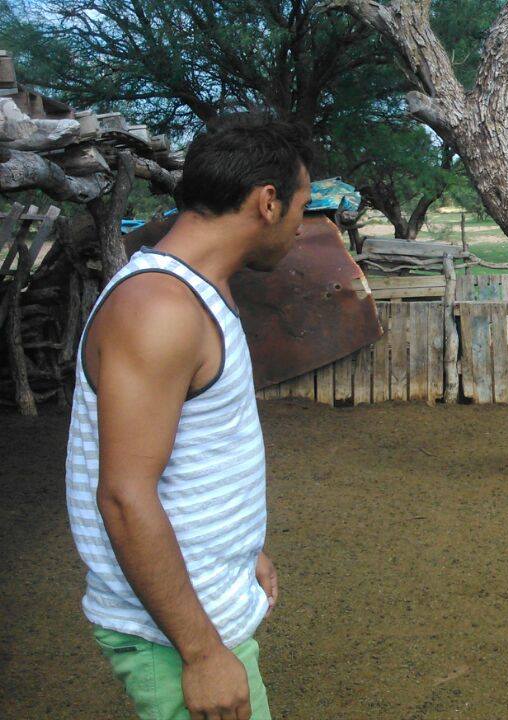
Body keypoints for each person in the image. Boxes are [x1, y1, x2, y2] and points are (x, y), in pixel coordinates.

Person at [66, 115, 313, 719]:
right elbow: (125, 496)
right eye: (303, 208)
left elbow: (198, 451)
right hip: (176, 639)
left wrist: (239, 549)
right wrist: (202, 654)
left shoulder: (200, 289)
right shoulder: (158, 308)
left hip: (201, 613)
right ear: (268, 202)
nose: (302, 229)